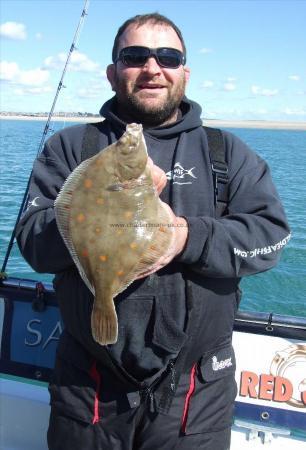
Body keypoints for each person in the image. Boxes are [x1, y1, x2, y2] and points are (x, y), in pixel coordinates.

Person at [16, 13, 291, 450]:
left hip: (196, 395)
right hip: (87, 389)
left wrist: (184, 237)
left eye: (167, 56)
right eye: (134, 56)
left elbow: (271, 238)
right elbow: (32, 240)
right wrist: (109, 201)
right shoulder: (71, 148)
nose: (152, 67)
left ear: (184, 72)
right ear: (112, 73)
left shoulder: (227, 153)